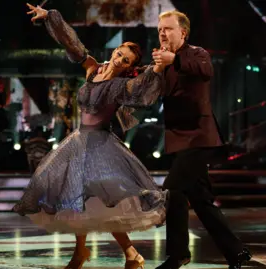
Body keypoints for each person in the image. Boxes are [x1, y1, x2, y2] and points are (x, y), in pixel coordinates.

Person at [13, 3, 167, 269]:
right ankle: (84, 253)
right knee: (77, 199)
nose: (119, 59)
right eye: (119, 53)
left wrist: (157, 68)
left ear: (129, 67)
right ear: (114, 51)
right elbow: (73, 44)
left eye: (125, 60)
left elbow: (144, 86)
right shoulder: (92, 69)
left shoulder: (122, 86)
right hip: (77, 143)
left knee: (100, 202)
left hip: (101, 146)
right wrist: (50, 16)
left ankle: (128, 253)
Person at [148, 10, 253, 269]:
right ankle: (236, 252)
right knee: (202, 201)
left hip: (198, 137)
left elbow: (205, 70)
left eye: (168, 28)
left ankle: (178, 254)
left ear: (182, 32)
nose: (162, 32)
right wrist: (154, 71)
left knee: (172, 190)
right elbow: (148, 94)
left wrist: (173, 60)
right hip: (178, 139)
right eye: (160, 28)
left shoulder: (196, 53)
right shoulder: (162, 61)